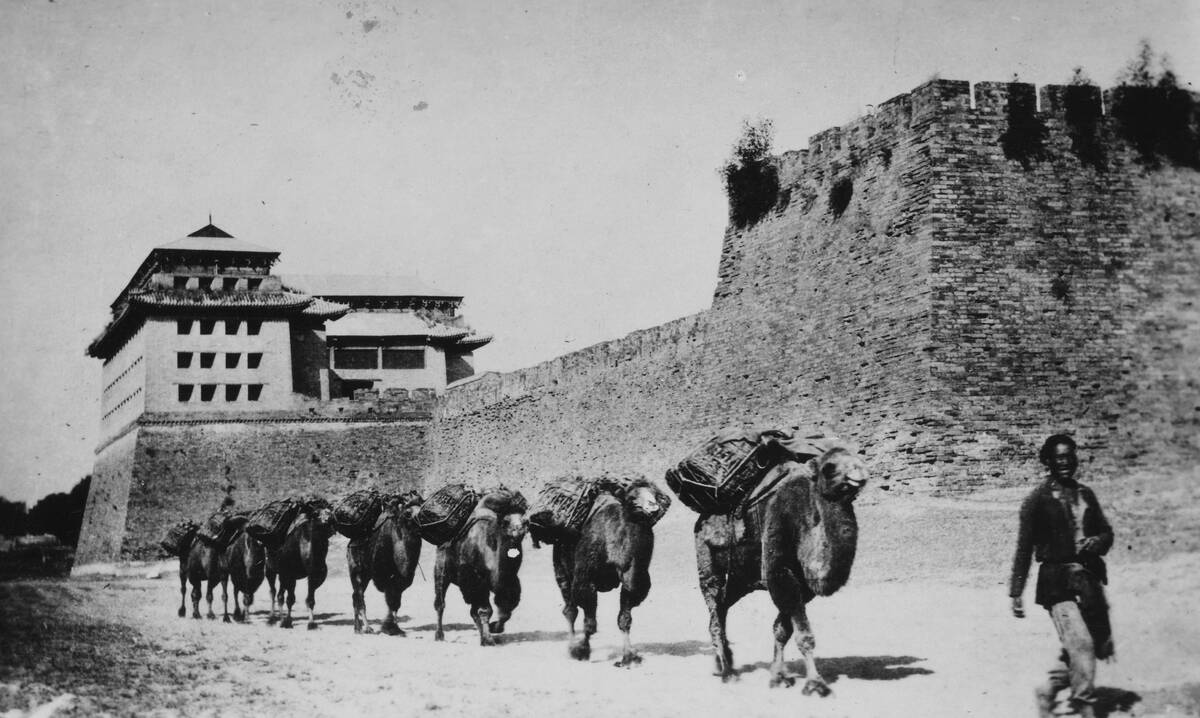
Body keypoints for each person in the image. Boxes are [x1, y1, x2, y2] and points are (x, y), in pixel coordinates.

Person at [1009, 434, 1114, 718]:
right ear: (1048, 462)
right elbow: (1024, 547)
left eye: (1070, 456)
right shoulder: (1037, 500)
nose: (1066, 463)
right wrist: (1016, 592)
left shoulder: (1086, 494)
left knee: (1091, 644)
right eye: (1059, 458)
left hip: (1088, 581)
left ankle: (1049, 689)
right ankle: (1084, 704)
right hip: (1057, 582)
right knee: (1081, 643)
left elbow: (1106, 532)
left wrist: (1097, 542)